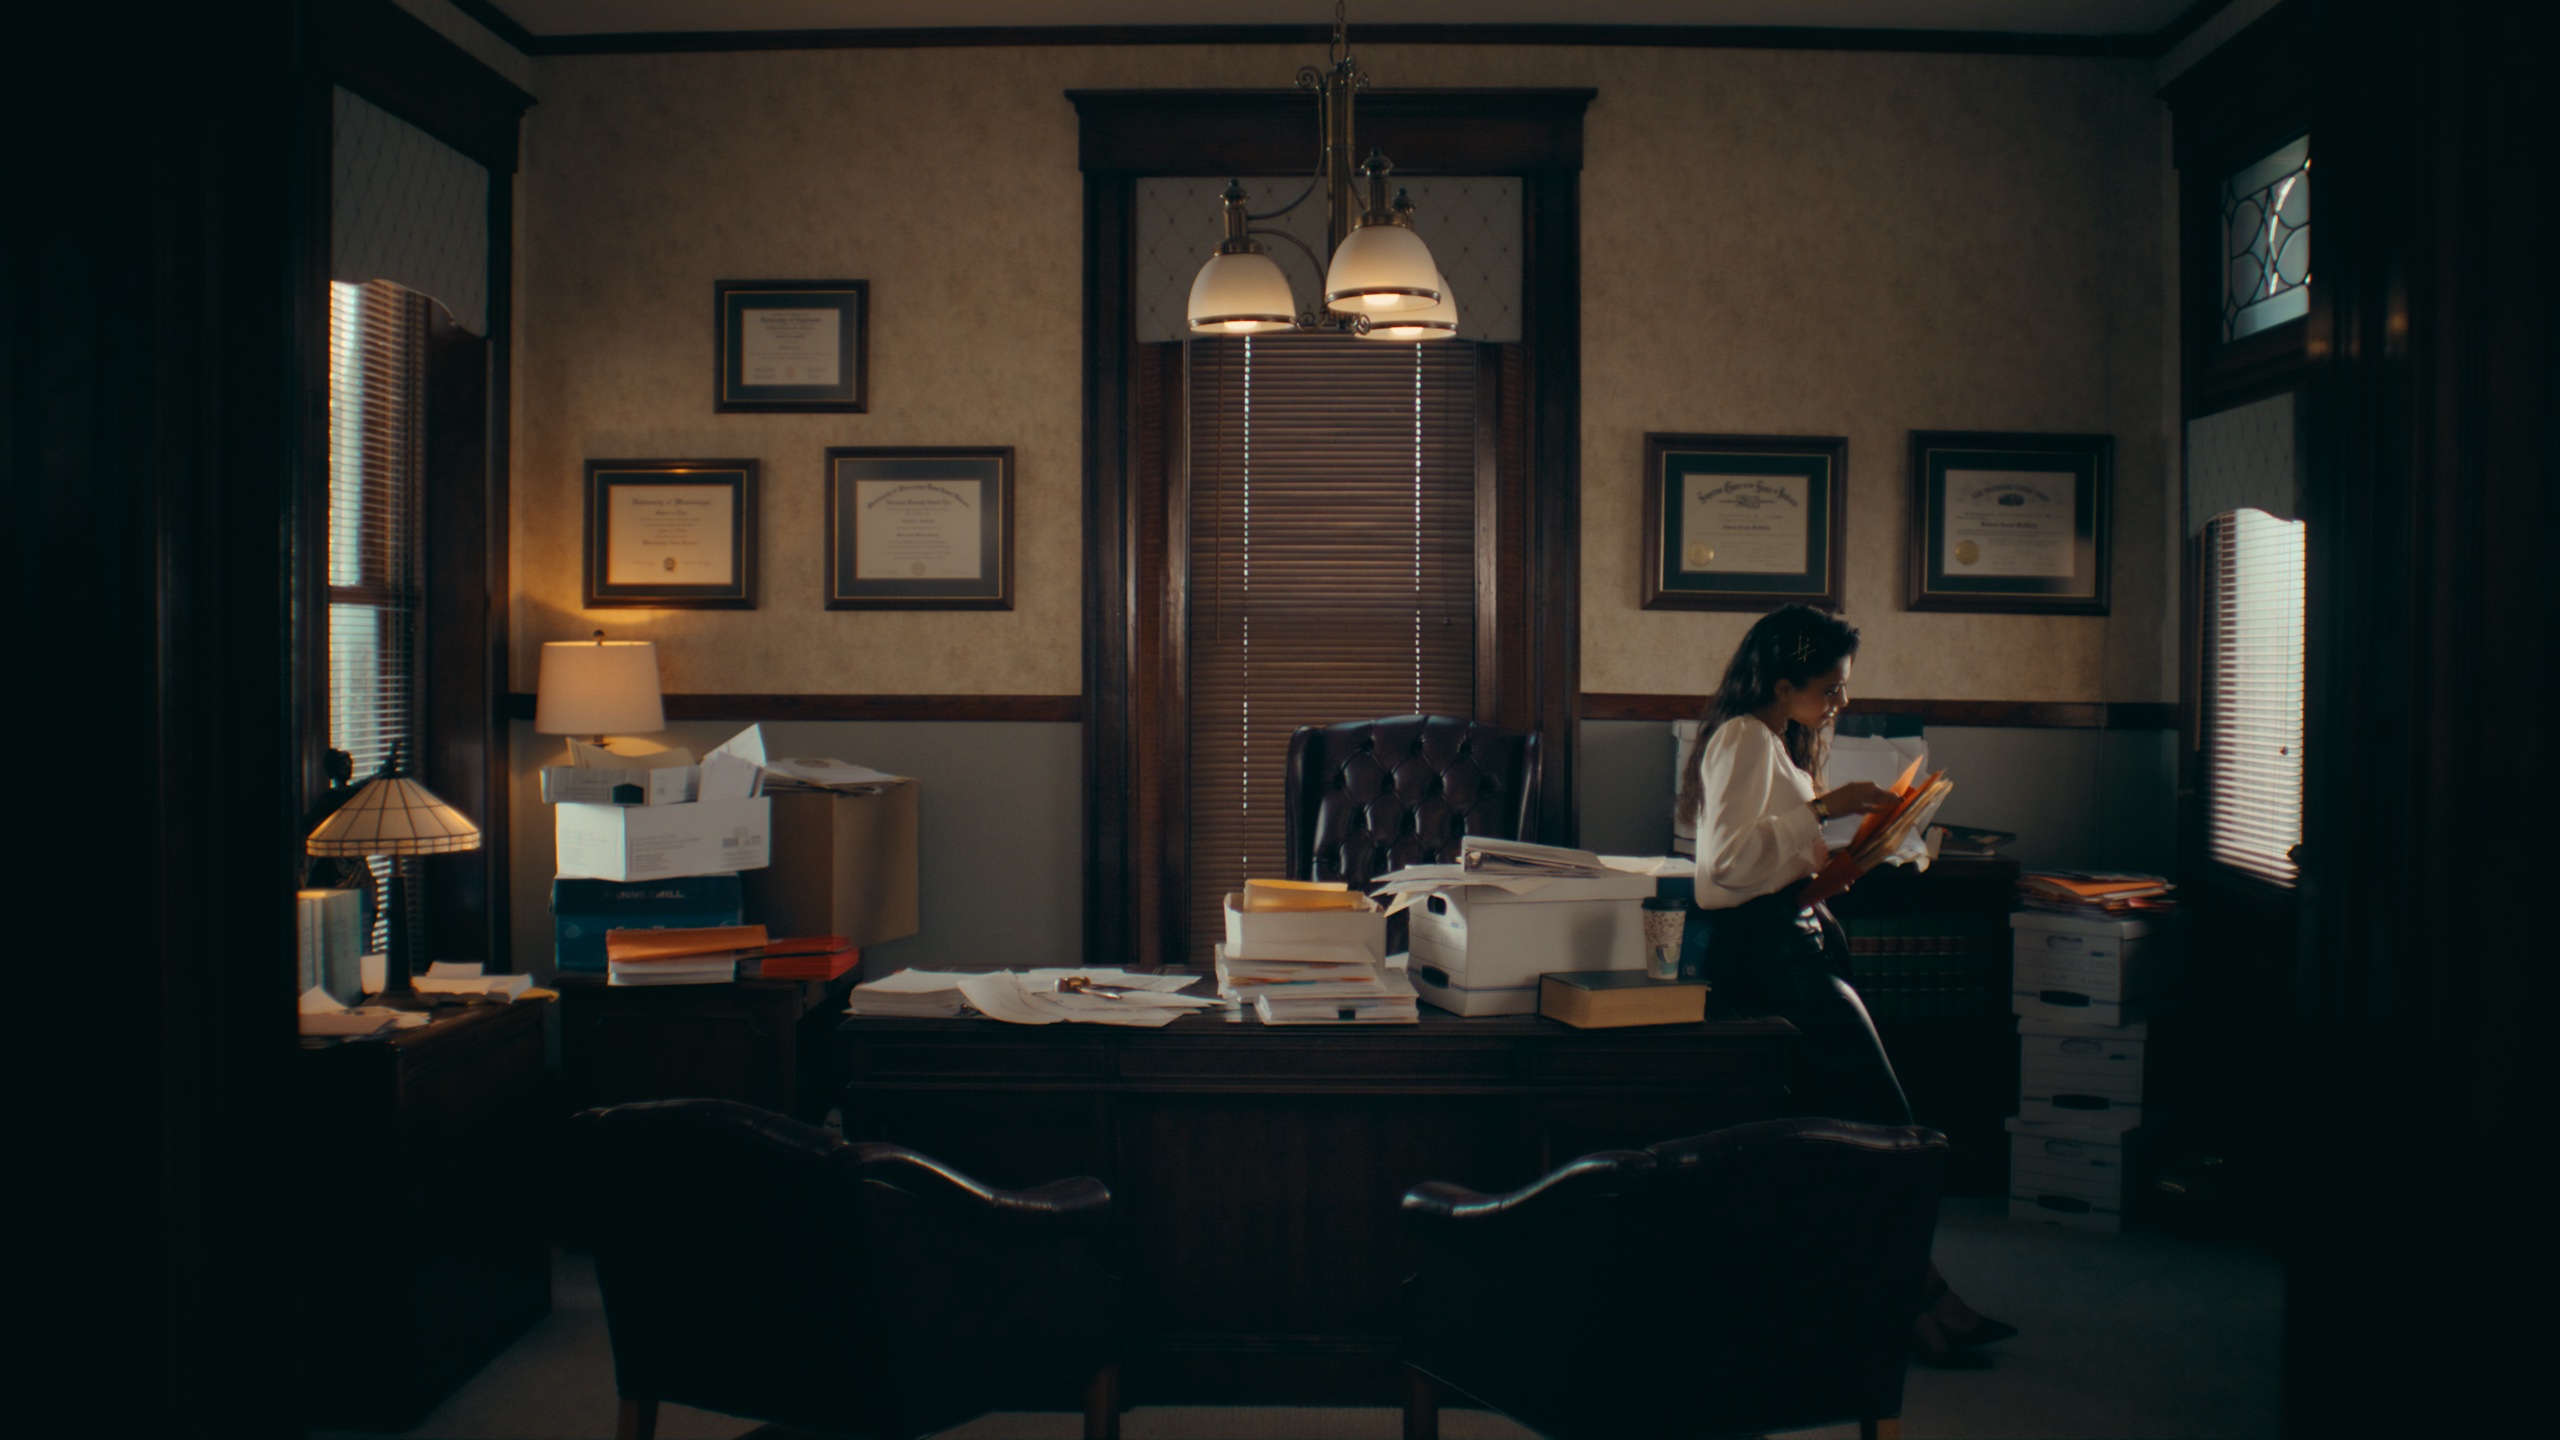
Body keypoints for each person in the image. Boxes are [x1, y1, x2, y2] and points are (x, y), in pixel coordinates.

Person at [1677, 604, 2016, 1368]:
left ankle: (1914, 1298)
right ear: (1782, 682)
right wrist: (1825, 809)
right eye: (1829, 690)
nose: (1840, 704)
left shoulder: (1771, 742)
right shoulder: (1743, 738)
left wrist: (1845, 864)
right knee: (1889, 1132)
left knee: (1868, 1136)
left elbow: (1770, 864)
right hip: (1767, 958)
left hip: (1788, 940)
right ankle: (1915, 1301)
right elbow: (1724, 869)